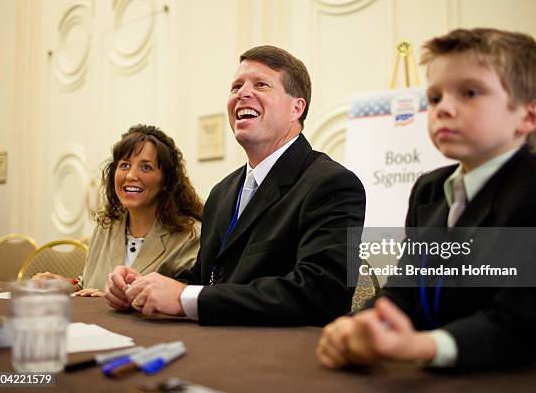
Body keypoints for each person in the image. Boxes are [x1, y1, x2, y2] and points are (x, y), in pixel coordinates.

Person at [316, 28, 536, 371]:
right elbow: (404, 294)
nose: (443, 109)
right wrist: (362, 325)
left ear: (529, 115)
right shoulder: (429, 190)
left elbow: (533, 321)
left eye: (469, 93)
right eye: (434, 98)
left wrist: (424, 346)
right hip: (442, 377)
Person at [104, 45, 366, 325]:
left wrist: (184, 298)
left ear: (296, 108)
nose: (242, 94)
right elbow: (205, 278)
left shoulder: (333, 185)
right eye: (236, 86)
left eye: (261, 84)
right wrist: (143, 288)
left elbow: (324, 295)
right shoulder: (222, 192)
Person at [34, 125, 202, 296]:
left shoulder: (190, 236)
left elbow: (188, 302)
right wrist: (68, 285)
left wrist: (113, 302)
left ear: (166, 180)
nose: (130, 175)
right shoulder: (106, 226)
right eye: (125, 165)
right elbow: (90, 282)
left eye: (146, 167)